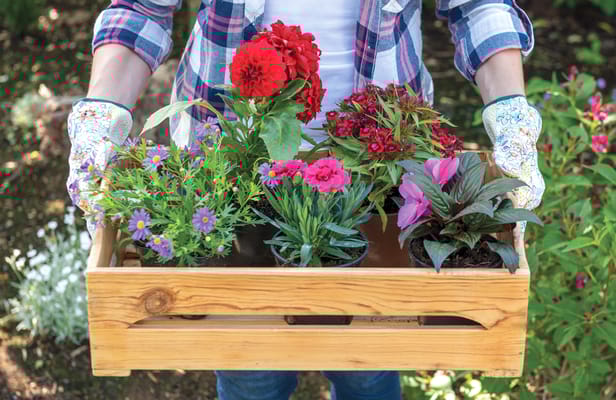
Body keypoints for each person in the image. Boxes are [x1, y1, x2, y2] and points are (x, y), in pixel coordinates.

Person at [66, 1, 545, 399]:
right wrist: (101, 118)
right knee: (249, 366)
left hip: (377, 160)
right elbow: (142, 10)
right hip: (232, 159)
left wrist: (511, 114)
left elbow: (478, 6)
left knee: (371, 358)